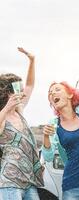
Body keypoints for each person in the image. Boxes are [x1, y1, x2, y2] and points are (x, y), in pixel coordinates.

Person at [41, 28, 79, 200]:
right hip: (72, 183)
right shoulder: (54, 123)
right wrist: (45, 138)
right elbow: (48, 156)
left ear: (70, 94)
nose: (53, 94)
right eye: (50, 93)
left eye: (57, 89)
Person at [0, 48, 44, 200]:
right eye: (16, 88)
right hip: (9, 180)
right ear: (7, 92)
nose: (21, 91)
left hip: (28, 179)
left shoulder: (20, 111)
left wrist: (32, 61)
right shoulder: (3, 114)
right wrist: (7, 107)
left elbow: (30, 85)